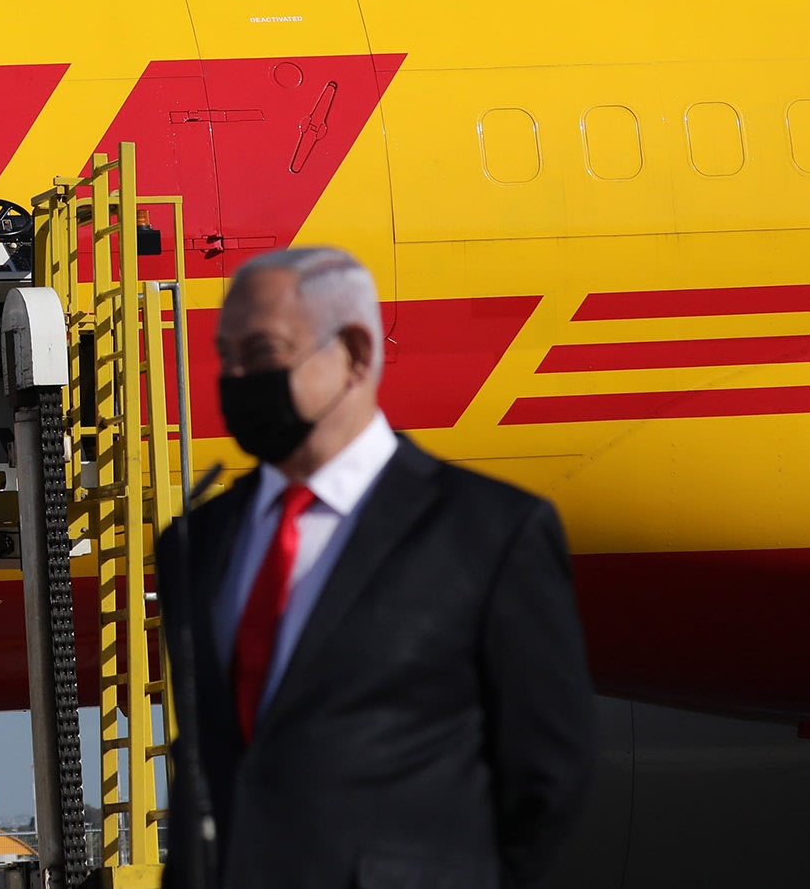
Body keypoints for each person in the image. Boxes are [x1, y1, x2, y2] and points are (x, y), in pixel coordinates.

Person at [157, 248, 595, 889]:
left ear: (357, 354)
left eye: (263, 353)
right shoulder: (197, 542)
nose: (236, 377)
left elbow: (549, 774)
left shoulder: (489, 533)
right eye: (227, 356)